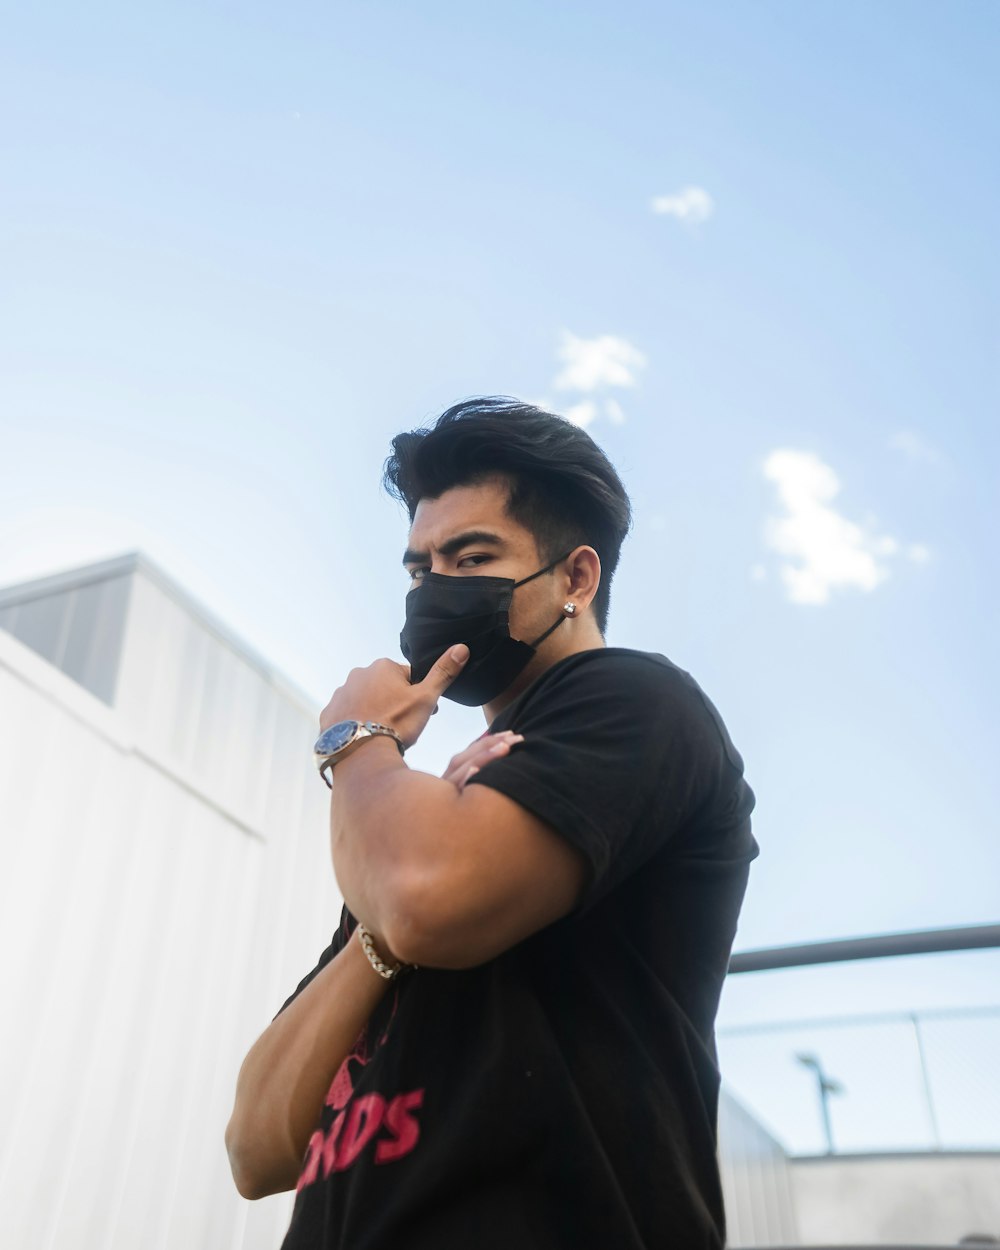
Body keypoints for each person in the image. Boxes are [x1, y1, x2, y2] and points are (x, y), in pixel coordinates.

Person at [225, 397, 758, 1249]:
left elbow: (423, 897)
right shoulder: (421, 817)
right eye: (418, 569)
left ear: (576, 578)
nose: (435, 589)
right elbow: (257, 1145)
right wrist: (385, 930)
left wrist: (356, 738)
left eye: (471, 557)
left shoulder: (639, 702)